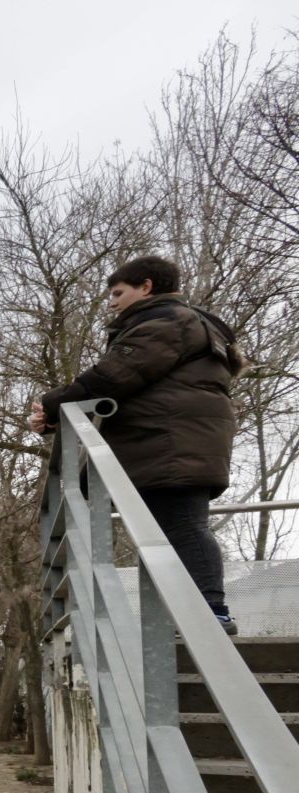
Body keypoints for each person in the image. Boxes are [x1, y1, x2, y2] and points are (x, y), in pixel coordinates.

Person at [28, 254, 247, 635]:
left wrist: (50, 404)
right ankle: (194, 612)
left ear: (146, 286)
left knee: (184, 525)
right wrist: (54, 420)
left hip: (172, 440)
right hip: (171, 438)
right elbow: (131, 388)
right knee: (168, 526)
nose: (111, 302)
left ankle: (211, 612)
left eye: (118, 292)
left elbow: (113, 378)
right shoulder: (180, 325)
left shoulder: (166, 323)